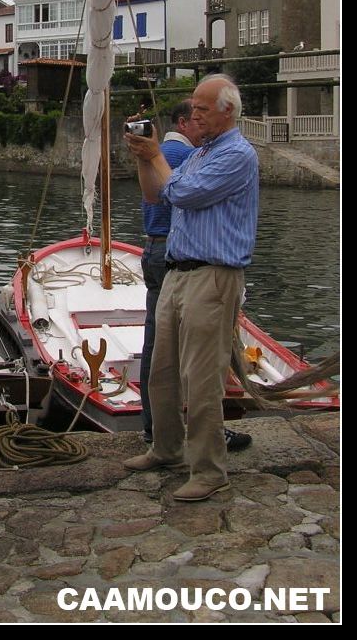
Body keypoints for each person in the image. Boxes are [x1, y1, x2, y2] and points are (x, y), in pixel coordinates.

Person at [123, 75, 259, 502]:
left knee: (201, 378)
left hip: (213, 276)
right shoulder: (200, 153)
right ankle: (165, 447)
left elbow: (184, 193)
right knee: (161, 369)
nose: (194, 114)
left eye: (202, 108)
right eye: (193, 108)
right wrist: (146, 157)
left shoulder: (237, 154)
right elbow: (154, 195)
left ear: (227, 112)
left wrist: (157, 154)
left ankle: (209, 469)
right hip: (179, 272)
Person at [136, 100, 202, 445]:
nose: (202, 126)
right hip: (172, 251)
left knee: (156, 341)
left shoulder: (160, 151)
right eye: (197, 119)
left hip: (152, 247)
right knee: (186, 343)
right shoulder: (184, 155)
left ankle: (153, 426)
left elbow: (150, 196)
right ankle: (194, 427)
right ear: (183, 122)